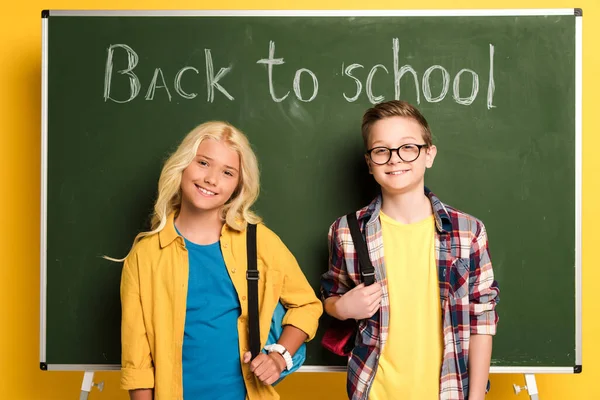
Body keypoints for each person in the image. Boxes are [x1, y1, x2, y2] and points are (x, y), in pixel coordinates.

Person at [118, 121, 322, 400]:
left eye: (227, 172)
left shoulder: (258, 241)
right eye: (203, 163)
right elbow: (137, 361)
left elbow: (306, 305)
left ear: (238, 185)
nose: (212, 179)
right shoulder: (146, 255)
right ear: (183, 165)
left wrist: (279, 357)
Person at [321, 100, 499, 400]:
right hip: (372, 390)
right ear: (369, 162)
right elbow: (330, 296)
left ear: (429, 154)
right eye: (381, 150)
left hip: (449, 391)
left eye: (408, 147)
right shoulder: (346, 232)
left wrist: (477, 397)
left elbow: (482, 318)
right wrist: (342, 308)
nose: (395, 159)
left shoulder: (468, 232)